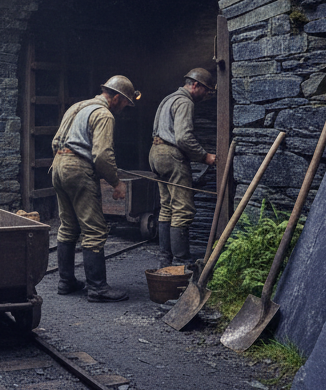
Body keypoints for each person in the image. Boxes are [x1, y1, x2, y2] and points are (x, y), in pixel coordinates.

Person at [51, 76, 139, 302]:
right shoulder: (103, 114)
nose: (124, 109)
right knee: (94, 230)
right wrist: (116, 183)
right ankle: (97, 288)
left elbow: (55, 141)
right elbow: (102, 155)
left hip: (58, 165)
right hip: (78, 168)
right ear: (116, 98)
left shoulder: (77, 107)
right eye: (125, 104)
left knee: (68, 226)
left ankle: (66, 282)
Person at [149, 67, 218, 269]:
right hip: (171, 155)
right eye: (206, 90)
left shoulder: (168, 99)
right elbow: (183, 137)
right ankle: (181, 261)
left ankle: (165, 258)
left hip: (155, 153)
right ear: (195, 85)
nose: (206, 95)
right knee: (183, 209)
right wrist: (205, 156)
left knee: (167, 206)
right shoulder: (185, 102)